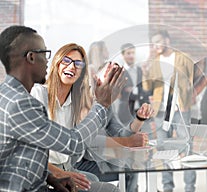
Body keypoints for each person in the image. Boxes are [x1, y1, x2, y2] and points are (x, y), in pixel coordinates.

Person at [0, 25, 124, 192]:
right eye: (44, 53)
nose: (47, 61)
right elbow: (74, 143)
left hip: (46, 174)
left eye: (78, 64)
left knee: (93, 179)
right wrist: (102, 104)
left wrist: (53, 177)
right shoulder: (26, 102)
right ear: (31, 58)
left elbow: (25, 155)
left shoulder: (9, 94)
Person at [30, 43, 153, 192]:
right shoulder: (40, 94)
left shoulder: (78, 101)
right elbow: (87, 142)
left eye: (77, 63)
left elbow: (118, 132)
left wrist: (139, 119)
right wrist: (127, 141)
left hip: (73, 162)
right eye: (66, 61)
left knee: (126, 169)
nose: (111, 81)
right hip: (65, 165)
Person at [142, 29, 195, 192]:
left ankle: (189, 187)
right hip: (161, 112)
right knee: (163, 149)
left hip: (180, 110)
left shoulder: (183, 58)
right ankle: (167, 188)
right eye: (153, 42)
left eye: (158, 41)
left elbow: (193, 80)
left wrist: (188, 98)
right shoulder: (154, 62)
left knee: (186, 148)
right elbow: (147, 87)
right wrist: (145, 73)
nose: (155, 45)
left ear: (167, 41)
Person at [117, 43, 152, 129]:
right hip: (126, 110)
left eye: (133, 53)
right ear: (123, 55)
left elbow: (146, 88)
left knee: (143, 137)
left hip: (140, 109)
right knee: (127, 137)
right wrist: (125, 90)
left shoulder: (140, 70)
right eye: (128, 53)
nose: (131, 56)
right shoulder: (119, 72)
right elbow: (117, 91)